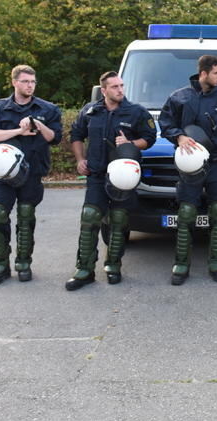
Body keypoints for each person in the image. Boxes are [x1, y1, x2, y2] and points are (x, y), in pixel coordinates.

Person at [159, 55, 217, 285]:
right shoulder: (179, 98)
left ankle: (216, 263)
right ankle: (181, 265)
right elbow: (166, 123)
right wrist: (178, 136)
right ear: (204, 73)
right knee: (186, 212)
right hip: (190, 164)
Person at [65, 71, 156, 290]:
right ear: (103, 90)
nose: (120, 90)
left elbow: (150, 139)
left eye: (122, 85)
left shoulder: (136, 112)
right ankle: (84, 270)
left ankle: (113, 266)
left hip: (123, 176)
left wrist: (131, 143)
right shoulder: (90, 111)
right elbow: (76, 135)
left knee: (118, 220)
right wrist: (80, 160)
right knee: (89, 217)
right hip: (96, 174)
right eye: (114, 87)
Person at [0, 65, 62, 286]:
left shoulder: (47, 109)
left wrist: (39, 124)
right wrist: (18, 131)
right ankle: (0, 263)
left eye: (33, 82)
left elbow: (55, 138)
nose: (30, 85)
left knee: (26, 217)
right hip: (3, 174)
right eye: (25, 81)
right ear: (14, 82)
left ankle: (24, 263)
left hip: (32, 172)